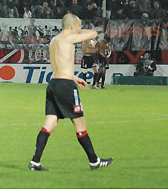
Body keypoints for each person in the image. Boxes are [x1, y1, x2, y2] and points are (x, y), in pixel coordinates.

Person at [29, 13, 113, 171]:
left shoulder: (55, 40)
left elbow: (60, 66)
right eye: (79, 26)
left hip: (54, 83)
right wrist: (98, 30)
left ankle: (35, 161)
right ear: (73, 27)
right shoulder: (68, 38)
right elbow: (93, 34)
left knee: (50, 123)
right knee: (80, 123)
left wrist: (74, 77)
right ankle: (94, 161)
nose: (80, 29)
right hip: (65, 86)